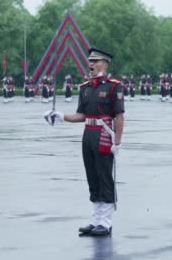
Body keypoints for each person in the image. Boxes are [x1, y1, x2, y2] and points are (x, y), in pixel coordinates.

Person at [44, 48, 125, 237]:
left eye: (95, 61)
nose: (91, 65)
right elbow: (82, 115)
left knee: (104, 177)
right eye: (90, 61)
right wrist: (61, 116)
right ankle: (96, 220)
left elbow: (119, 117)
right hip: (88, 134)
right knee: (92, 177)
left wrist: (118, 143)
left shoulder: (113, 86)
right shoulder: (85, 87)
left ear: (104, 64)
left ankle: (106, 222)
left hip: (104, 135)